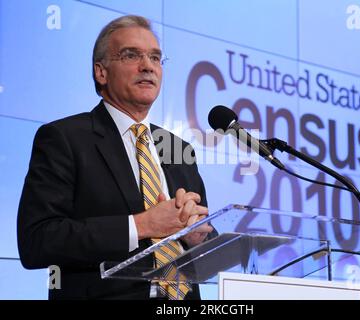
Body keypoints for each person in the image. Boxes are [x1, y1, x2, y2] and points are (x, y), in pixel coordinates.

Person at [17, 15, 213, 300]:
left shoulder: (178, 147)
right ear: (101, 72)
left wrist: (197, 236)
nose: (147, 66)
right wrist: (142, 224)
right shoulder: (64, 138)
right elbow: (38, 240)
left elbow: (203, 233)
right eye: (131, 55)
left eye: (156, 58)